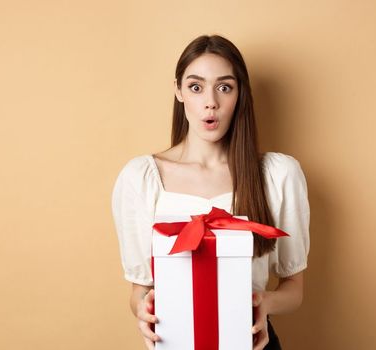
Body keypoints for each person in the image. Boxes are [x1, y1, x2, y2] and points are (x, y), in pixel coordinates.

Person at [111, 35, 310, 350]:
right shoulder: (141, 178)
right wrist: (144, 312)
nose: (210, 102)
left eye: (224, 87)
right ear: (178, 91)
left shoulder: (278, 175)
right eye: (196, 86)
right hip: (175, 341)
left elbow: (294, 289)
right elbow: (139, 291)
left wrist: (264, 302)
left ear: (239, 94)